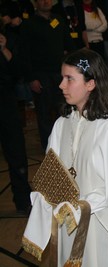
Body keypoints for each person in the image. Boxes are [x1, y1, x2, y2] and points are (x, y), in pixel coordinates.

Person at [22, 48, 108, 266]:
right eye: (62, 78)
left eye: (69, 79)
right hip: (69, 223)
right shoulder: (62, 125)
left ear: (91, 84)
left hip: (104, 227)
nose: (61, 85)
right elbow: (54, 169)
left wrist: (90, 208)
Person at [20, 0, 75, 150]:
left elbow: (69, 44)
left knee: (64, 110)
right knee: (44, 113)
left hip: (60, 74)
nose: (46, 2)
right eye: (42, 0)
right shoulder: (28, 24)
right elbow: (24, 54)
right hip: (40, 75)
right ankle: (49, 147)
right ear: (36, 3)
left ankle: (64, 145)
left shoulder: (58, 20)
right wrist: (31, 78)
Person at [0, 6, 32, 215]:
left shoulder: (9, 37)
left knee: (16, 152)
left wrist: (4, 49)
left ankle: (23, 199)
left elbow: (19, 70)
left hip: (5, 101)